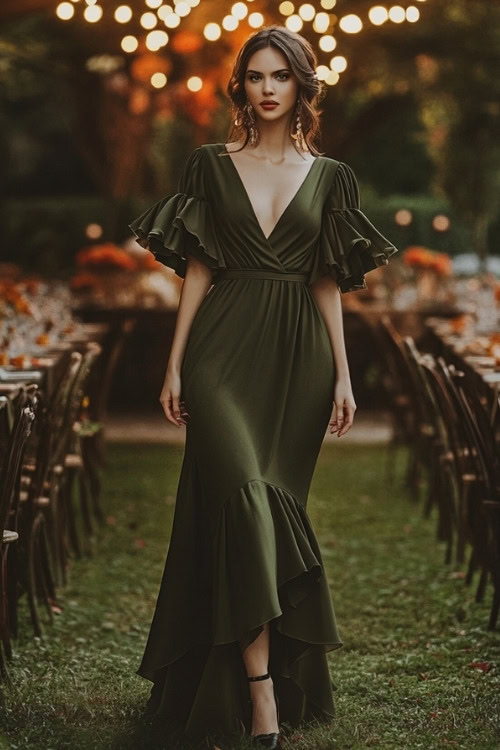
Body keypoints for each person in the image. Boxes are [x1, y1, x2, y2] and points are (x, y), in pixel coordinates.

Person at [128, 24, 398, 750]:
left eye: (281, 75)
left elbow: (327, 281)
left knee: (267, 511)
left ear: (302, 85)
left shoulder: (333, 176)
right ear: (241, 87)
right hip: (221, 352)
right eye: (255, 76)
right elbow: (200, 270)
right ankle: (262, 697)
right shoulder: (210, 166)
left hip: (299, 364)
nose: (268, 87)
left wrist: (342, 373)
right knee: (246, 499)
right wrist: (176, 362)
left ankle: (248, 680)